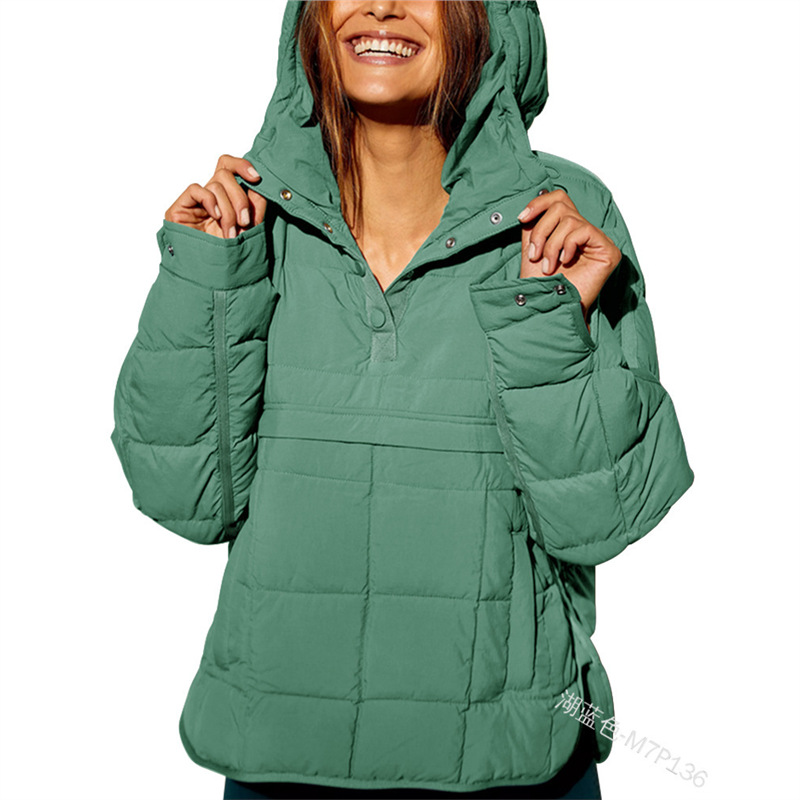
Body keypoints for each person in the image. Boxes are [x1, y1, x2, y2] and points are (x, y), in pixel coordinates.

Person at [110, 1, 694, 798]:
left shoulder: (561, 215)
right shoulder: (249, 218)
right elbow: (186, 501)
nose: (381, 4)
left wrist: (545, 321)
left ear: (489, 19)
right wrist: (208, 280)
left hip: (516, 759)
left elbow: (602, 517)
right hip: (280, 752)